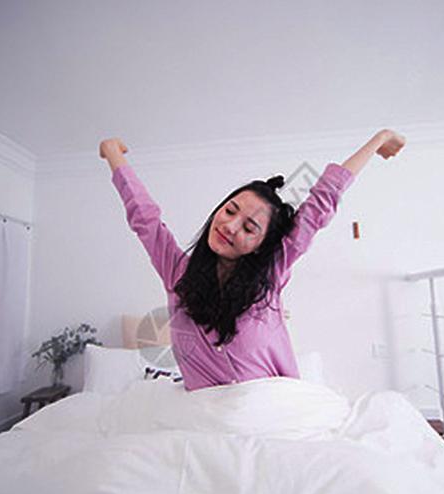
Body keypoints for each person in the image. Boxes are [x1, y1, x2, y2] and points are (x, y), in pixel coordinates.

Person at [100, 129, 406, 391]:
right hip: (203, 418)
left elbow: (320, 203)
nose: (230, 227)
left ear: (261, 245)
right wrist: (113, 153)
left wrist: (379, 140)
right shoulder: (178, 273)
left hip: (274, 412)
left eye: (249, 228)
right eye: (230, 211)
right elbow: (145, 218)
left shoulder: (270, 275)